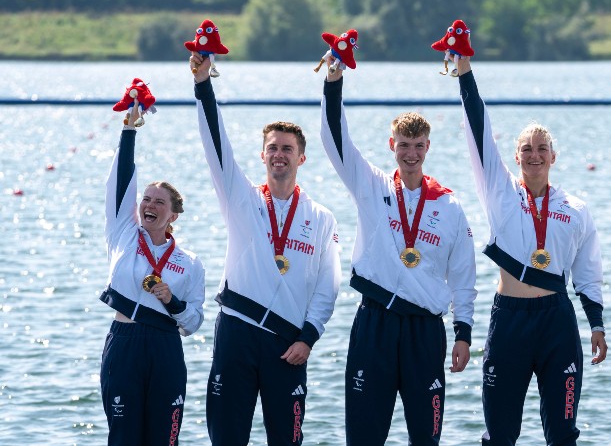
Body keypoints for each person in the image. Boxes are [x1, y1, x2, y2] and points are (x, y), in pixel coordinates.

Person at [320, 58, 477, 445]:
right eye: (403, 146)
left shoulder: (449, 206)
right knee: (364, 436)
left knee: (426, 437)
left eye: (418, 146)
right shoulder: (371, 186)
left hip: (425, 331)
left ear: (428, 147)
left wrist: (464, 333)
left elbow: (464, 275)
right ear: (392, 145)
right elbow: (334, 139)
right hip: (375, 324)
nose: (411, 154)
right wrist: (333, 82)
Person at [455, 56, 608, 446]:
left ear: (553, 156)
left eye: (542, 148)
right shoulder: (500, 192)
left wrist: (597, 324)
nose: (535, 154)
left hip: (557, 321)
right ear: (516, 156)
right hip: (510, 320)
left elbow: (588, 271)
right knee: (501, 434)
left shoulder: (576, 208)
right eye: (527, 148)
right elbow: (479, 132)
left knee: (562, 434)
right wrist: (465, 72)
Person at [189, 53, 341, 446]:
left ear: (301, 158)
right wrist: (203, 83)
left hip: (288, 344)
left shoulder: (321, 218)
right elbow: (215, 146)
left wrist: (309, 337)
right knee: (226, 438)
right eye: (272, 147)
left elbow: (328, 286)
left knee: (287, 440)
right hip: (237, 333)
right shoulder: (240, 199)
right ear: (262, 155)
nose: (279, 154)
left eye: (287, 149)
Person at [100, 99, 205, 445]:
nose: (150, 205)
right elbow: (120, 183)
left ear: (173, 215)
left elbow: (192, 323)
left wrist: (172, 302)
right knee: (124, 438)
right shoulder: (125, 235)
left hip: (165, 346)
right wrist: (129, 130)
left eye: (160, 202)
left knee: (164, 439)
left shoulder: (189, 262)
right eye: (146, 199)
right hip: (125, 343)